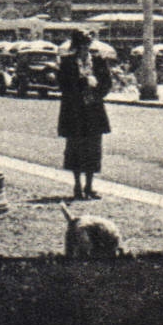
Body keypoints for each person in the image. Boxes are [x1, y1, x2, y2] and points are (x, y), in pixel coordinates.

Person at [58, 31, 112, 200]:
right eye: (81, 46)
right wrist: (82, 83)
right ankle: (77, 186)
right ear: (75, 46)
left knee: (93, 149)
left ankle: (89, 186)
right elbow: (63, 85)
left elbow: (107, 83)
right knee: (75, 149)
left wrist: (97, 89)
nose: (84, 49)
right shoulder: (67, 63)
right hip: (75, 112)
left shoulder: (99, 61)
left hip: (93, 111)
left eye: (87, 45)